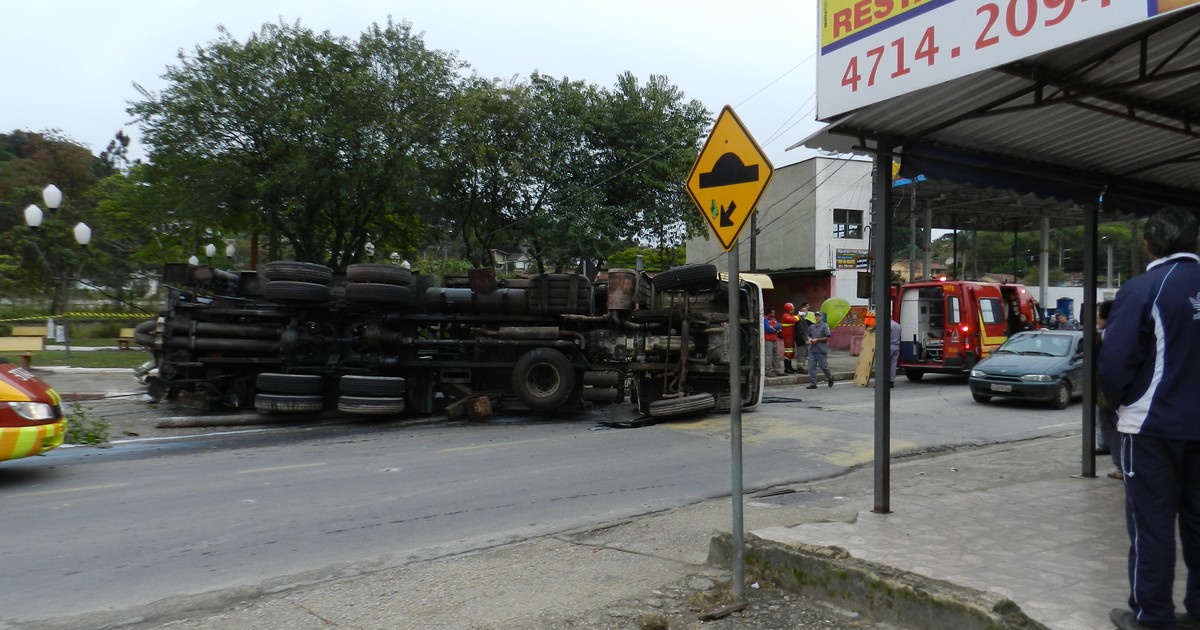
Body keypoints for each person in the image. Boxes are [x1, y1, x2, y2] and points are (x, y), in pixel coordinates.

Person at [1098, 207, 1200, 630]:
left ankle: (1153, 617)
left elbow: (1114, 364)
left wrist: (1123, 405)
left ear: (1147, 246)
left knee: (1151, 528)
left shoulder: (1144, 289)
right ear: (1195, 241)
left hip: (1152, 429)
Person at [1093, 299, 1121, 479]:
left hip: (1111, 394)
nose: (1095, 319)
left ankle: (1121, 467)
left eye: (1097, 315)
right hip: (1107, 393)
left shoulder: (1112, 337)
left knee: (1115, 429)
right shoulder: (1108, 334)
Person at [805, 311, 834, 389]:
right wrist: (809, 339)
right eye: (816, 316)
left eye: (819, 316)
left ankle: (830, 377)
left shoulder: (825, 326)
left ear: (822, 317)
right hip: (812, 349)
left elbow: (827, 338)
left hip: (821, 350)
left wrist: (817, 340)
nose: (817, 317)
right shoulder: (811, 327)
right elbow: (807, 335)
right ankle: (813, 383)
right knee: (811, 367)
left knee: (823, 366)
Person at [780, 303, 799, 374]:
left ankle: (789, 367)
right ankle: (787, 368)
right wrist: (799, 315)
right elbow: (794, 320)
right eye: (792, 309)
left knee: (791, 353)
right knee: (788, 353)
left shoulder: (789, 315)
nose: (793, 311)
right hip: (787, 337)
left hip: (790, 337)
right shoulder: (785, 316)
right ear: (788, 310)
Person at [763, 309, 782, 377]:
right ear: (769, 313)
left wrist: (774, 327)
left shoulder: (773, 319)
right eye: (773, 313)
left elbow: (779, 326)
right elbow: (768, 329)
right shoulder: (765, 319)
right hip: (767, 340)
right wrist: (775, 328)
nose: (774, 314)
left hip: (774, 339)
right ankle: (768, 370)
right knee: (768, 356)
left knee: (776, 355)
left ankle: (777, 370)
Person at [795, 302, 812, 371]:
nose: (806, 312)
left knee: (803, 354)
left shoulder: (804, 320)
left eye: (806, 311)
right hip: (801, 341)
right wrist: (805, 340)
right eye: (804, 311)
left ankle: (801, 367)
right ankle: (800, 368)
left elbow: (805, 332)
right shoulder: (800, 320)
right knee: (801, 355)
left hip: (803, 340)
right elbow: (800, 332)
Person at [889, 317, 901, 387]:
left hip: (889, 345)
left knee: (885, 364)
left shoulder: (888, 325)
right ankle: (891, 381)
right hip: (896, 345)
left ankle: (883, 381)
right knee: (893, 364)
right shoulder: (898, 325)